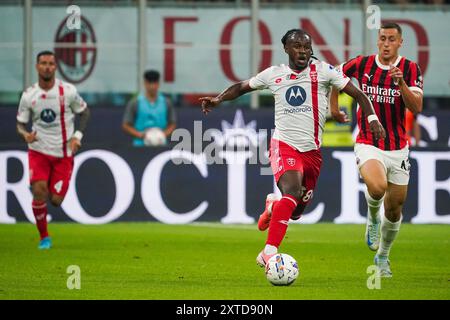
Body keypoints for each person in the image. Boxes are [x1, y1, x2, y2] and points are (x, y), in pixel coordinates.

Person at [199, 29, 385, 267]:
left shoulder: (325, 71)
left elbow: (359, 95)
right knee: (291, 190)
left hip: (312, 152)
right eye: (297, 46)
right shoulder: (274, 74)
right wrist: (218, 99)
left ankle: (273, 206)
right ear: (286, 48)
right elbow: (242, 87)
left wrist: (372, 120)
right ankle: (268, 252)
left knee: (295, 211)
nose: (303, 51)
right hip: (284, 144)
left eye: (307, 47)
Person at [330, 22, 423, 277]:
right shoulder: (362, 64)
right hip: (369, 141)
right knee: (377, 187)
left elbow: (416, 108)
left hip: (398, 147)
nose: (386, 43)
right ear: (378, 40)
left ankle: (382, 256)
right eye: (382, 38)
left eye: (391, 39)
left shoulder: (410, 69)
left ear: (400, 43)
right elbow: (333, 77)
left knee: (395, 209)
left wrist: (401, 84)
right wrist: (334, 109)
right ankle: (372, 218)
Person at [16, 50, 91, 249]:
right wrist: (25, 135)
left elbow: (84, 113)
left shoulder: (68, 91)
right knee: (40, 192)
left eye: (50, 63)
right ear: (37, 66)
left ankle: (41, 184)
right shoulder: (28, 95)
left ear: (55, 67)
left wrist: (77, 136)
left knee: (56, 200)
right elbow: (20, 124)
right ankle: (44, 237)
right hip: (38, 150)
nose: (47, 67)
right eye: (43, 63)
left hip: (63, 153)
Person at [122, 70, 176, 146]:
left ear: (158, 84)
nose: (152, 86)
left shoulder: (166, 102)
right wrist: (140, 135)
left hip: (161, 145)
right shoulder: (135, 102)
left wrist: (163, 135)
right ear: (145, 83)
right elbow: (126, 125)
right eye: (149, 83)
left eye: (155, 83)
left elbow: (172, 124)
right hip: (140, 146)